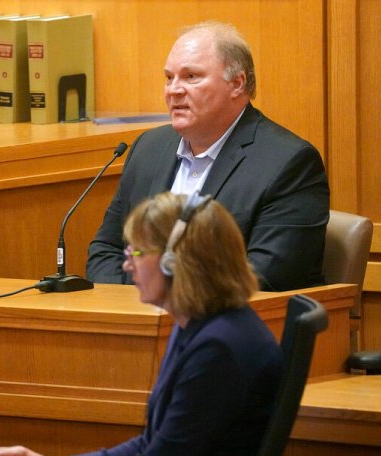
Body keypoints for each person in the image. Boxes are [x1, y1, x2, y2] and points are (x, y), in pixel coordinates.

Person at [0, 191, 283, 456]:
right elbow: (154, 445)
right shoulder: (198, 324)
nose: (126, 263)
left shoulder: (221, 350)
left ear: (175, 262)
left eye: (136, 252)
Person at [87, 21, 329, 292]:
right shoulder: (148, 149)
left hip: (232, 329)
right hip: (141, 325)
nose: (174, 90)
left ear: (237, 83)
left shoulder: (287, 163)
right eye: (169, 77)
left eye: (191, 76)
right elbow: (106, 250)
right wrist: (139, 304)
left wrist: (162, 298)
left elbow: (265, 276)